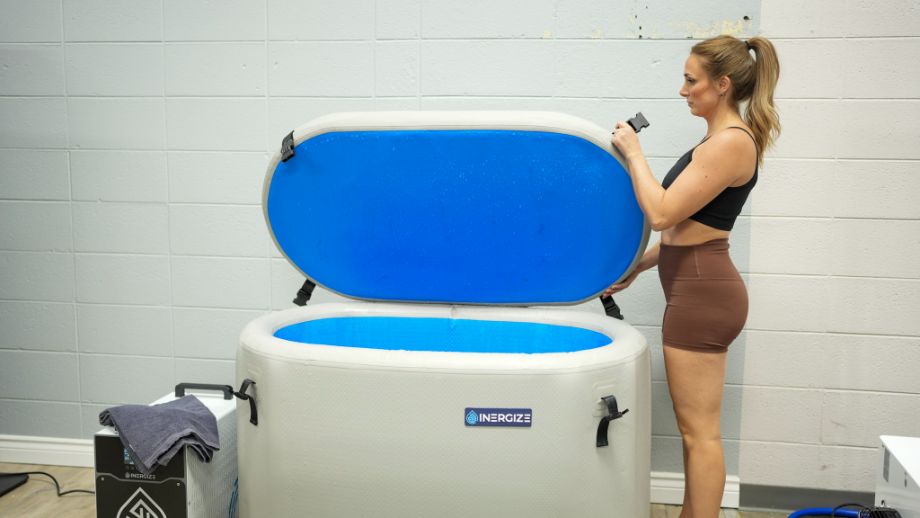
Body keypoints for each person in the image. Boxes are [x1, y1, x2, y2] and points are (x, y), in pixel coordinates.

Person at [606, 34, 781, 518]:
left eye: (691, 80)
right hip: (697, 284)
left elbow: (661, 213)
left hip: (704, 295)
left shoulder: (730, 143)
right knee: (693, 430)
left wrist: (634, 153)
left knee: (699, 433)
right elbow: (688, 228)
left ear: (722, 85)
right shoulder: (717, 141)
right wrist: (639, 267)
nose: (683, 90)